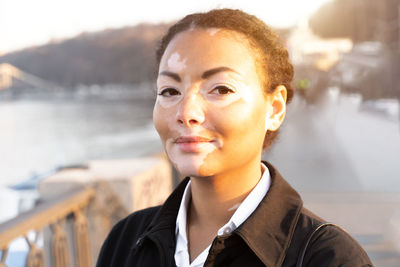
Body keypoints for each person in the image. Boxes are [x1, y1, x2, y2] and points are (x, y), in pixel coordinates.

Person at [96, 9, 372, 267]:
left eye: (221, 89)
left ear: (274, 108)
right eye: (169, 91)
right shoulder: (127, 240)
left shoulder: (327, 257)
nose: (186, 113)